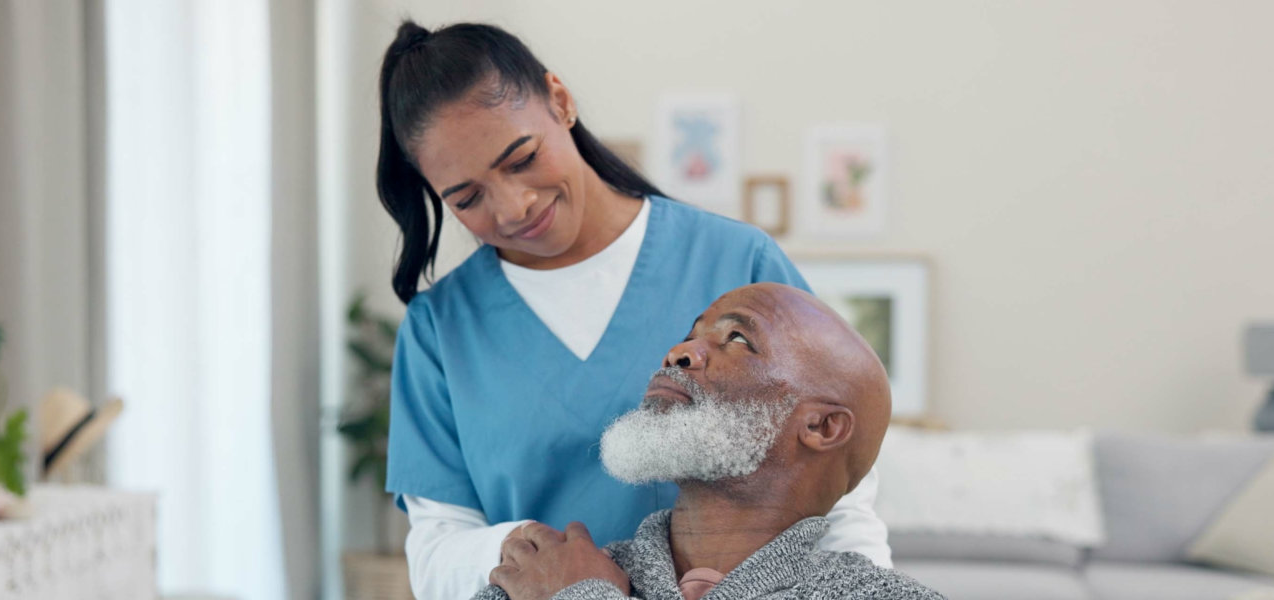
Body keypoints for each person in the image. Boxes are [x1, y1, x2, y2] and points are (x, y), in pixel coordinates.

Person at [375, 20, 892, 600]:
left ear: (560, 101)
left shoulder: (737, 260)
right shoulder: (441, 329)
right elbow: (439, 545)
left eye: (521, 159)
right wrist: (552, 565)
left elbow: (837, 485)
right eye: (466, 198)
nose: (514, 206)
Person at [474, 283, 944, 600]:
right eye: (689, 336)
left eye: (737, 339)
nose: (678, 353)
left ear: (822, 427)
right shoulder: (539, 575)